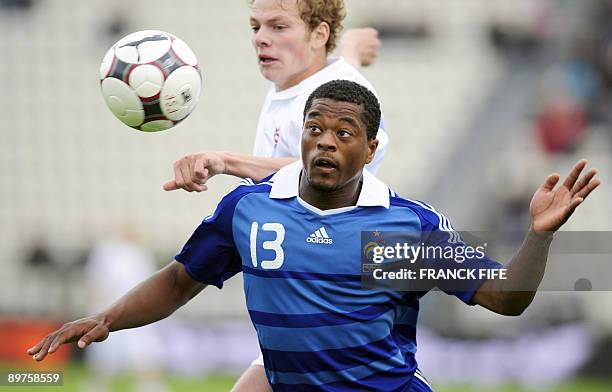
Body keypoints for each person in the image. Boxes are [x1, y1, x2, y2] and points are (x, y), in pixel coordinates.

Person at [28, 80, 600, 391]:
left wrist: (540, 237)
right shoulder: (251, 210)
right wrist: (109, 318)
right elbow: (180, 281)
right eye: (314, 128)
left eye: (343, 132)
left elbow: (505, 298)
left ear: (371, 150)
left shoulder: (399, 230)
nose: (325, 142)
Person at [162, 0, 388, 195]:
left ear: (319, 35)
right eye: (255, 27)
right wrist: (353, 49)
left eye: (278, 27)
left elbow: (337, 166)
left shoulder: (344, 95)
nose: (260, 38)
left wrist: (225, 162)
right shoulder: (294, 75)